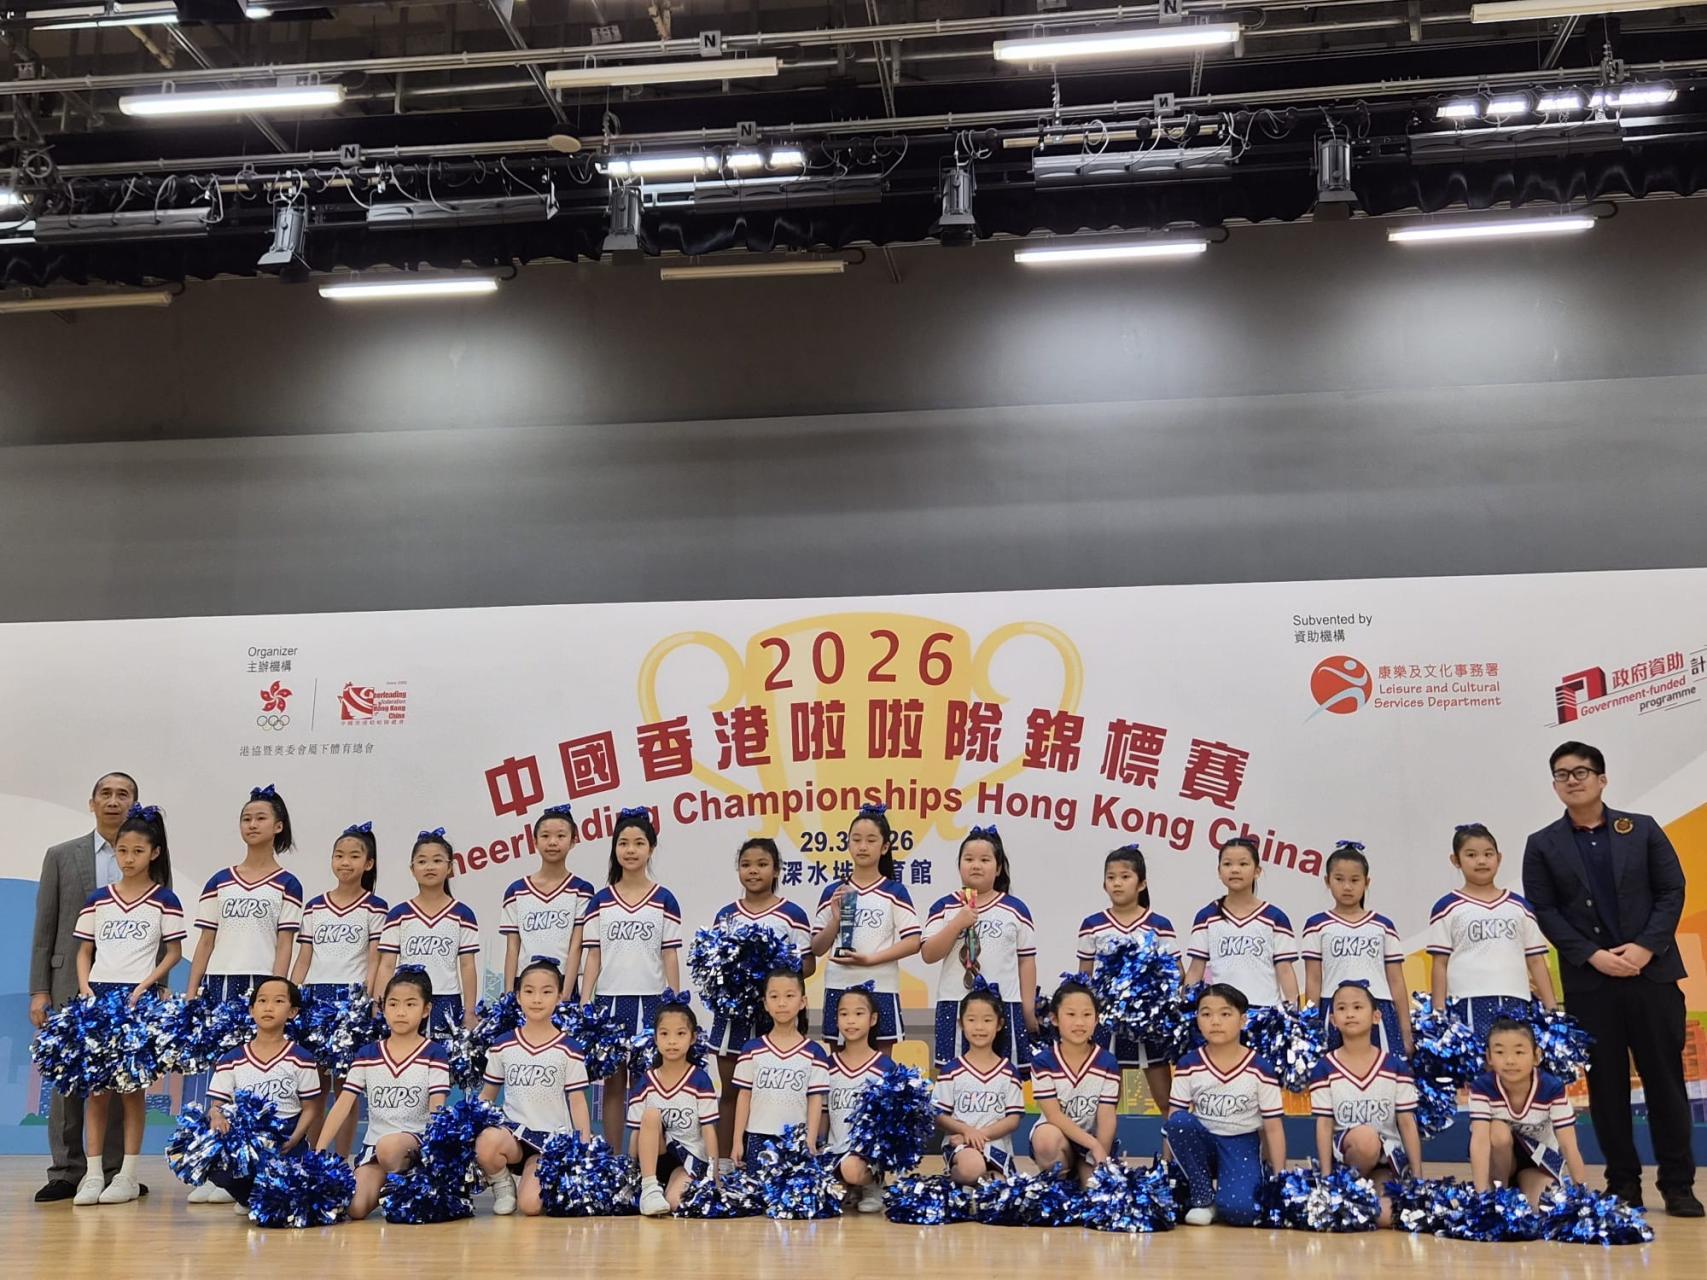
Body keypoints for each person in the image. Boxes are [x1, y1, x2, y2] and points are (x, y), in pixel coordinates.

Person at [1522, 740, 1701, 1216]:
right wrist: (1592, 956)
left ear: (1602, 779)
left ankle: (1678, 1185)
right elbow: (1545, 910)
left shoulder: (1641, 829)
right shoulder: (1542, 844)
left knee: (1665, 1082)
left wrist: (1645, 947)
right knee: (1606, 1088)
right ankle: (1623, 1185)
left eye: (1581, 771)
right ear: (1555, 785)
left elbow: (1672, 890)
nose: (1572, 780)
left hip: (1652, 975)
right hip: (1592, 984)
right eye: (1562, 774)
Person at [29, 771, 145, 1203]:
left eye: (123, 794)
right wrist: (39, 990)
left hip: (128, 985)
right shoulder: (61, 856)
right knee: (67, 1080)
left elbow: (160, 932)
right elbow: (45, 928)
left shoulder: (150, 856)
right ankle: (65, 1171)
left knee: (118, 1078)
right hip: (67, 981)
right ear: (92, 802)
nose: (114, 801)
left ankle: (113, 1172)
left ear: (135, 804)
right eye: (106, 793)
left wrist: (157, 988)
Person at [70, 804, 183, 1206]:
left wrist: (146, 985)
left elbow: (173, 952)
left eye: (137, 851)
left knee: (133, 1090)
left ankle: (128, 1175)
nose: (129, 858)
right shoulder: (98, 898)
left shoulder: (165, 899)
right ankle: (92, 1175)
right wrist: (85, 988)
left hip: (138, 1001)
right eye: (122, 851)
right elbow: (84, 951)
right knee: (96, 1091)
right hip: (98, 999)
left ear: (154, 853)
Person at [579, 806, 683, 1147]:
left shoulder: (664, 899)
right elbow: (594, 955)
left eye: (639, 843)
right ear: (615, 849)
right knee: (612, 1083)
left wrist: (674, 1002)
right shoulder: (600, 901)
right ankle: (612, 1158)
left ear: (651, 848)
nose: (631, 850)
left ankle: (643, 1160)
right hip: (609, 1001)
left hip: (651, 1001)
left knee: (644, 1084)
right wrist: (585, 1000)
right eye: (623, 843)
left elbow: (670, 954)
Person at [708, 837, 815, 1158]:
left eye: (762, 864)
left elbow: (808, 965)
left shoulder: (792, 914)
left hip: (777, 1015)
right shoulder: (726, 915)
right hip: (734, 1016)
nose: (753, 871)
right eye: (746, 865)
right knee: (731, 1091)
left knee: (774, 1093)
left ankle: (780, 1162)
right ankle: (725, 1163)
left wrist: (773, 966)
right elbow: (712, 964)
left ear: (777, 870)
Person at [317, 968, 450, 1221]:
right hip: (375, 1148)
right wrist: (319, 1151)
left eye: (410, 1004)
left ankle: (410, 1184)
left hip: (416, 1144)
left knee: (389, 1147)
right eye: (393, 1004)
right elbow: (343, 1104)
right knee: (355, 1208)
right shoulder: (368, 1053)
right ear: (383, 1008)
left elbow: (437, 1106)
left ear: (426, 1010)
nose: (400, 1012)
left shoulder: (434, 1052)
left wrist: (435, 1156)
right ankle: (391, 1186)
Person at [291, 821, 386, 1157]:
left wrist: (369, 1003)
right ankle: (314, 1158)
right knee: (314, 1088)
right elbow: (304, 958)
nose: (345, 862)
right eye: (339, 855)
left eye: (354, 856)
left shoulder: (375, 907)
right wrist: (291, 995)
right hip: (314, 1001)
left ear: (368, 863)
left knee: (346, 1088)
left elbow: (375, 960)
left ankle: (343, 1160)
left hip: (352, 1003)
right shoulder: (315, 906)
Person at [475, 959, 591, 1217]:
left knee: (530, 1206)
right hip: (513, 1135)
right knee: (486, 1141)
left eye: (546, 991)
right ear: (518, 996)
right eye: (529, 991)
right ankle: (503, 1186)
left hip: (550, 1139)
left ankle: (531, 1178)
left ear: (559, 997)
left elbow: (578, 1101)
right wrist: (468, 1130)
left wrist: (583, 1147)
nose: (537, 999)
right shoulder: (502, 1044)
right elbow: (487, 1097)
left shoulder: (569, 1048)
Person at [1164, 983, 1286, 1227]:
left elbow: (1273, 1128)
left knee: (1241, 1212)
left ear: (1243, 1020)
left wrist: (1280, 1180)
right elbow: (1173, 1121)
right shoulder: (1188, 1064)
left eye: (1225, 1014)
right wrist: (1166, 1171)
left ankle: (1248, 1178)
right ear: (1197, 1020)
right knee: (1178, 1122)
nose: (1215, 1021)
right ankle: (1203, 1197)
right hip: (1203, 1142)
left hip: (1241, 1143)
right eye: (1206, 1014)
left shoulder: (1260, 1067)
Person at [921, 826, 1039, 1075]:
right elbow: (929, 954)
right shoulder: (944, 907)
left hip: (1004, 1004)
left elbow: (1026, 961)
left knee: (1007, 1076)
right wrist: (957, 923)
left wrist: (1027, 1008)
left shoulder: (1015, 909)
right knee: (953, 1076)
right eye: (969, 859)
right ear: (959, 865)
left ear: (998, 868)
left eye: (985, 860)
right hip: (955, 1005)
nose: (976, 865)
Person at [1427, 823, 1556, 1045]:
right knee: (1475, 1062)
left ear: (1499, 858)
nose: (1481, 861)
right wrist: (1438, 1014)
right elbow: (1440, 963)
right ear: (1455, 860)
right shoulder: (1447, 907)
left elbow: (1535, 960)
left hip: (1516, 1000)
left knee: (1512, 1060)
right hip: (1466, 1001)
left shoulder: (1520, 906)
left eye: (1488, 854)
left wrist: (1552, 1009)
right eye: (1471, 855)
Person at [202, 978, 322, 1213]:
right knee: (209, 1153)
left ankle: (264, 1196)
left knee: (289, 1201)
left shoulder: (302, 1058)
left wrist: (295, 1139)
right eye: (262, 1001)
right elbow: (217, 1105)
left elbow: (311, 1108)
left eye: (279, 1001)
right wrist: (216, 1116)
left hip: (286, 1139)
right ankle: (248, 1197)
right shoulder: (231, 1059)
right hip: (247, 1141)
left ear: (292, 1012)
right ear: (251, 1010)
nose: (269, 1007)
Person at [1309, 980, 1423, 1227]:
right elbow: (1324, 1125)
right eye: (1341, 1008)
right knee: (1366, 1138)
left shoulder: (1395, 1066)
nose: (1350, 1014)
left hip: (1385, 1162)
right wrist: (1326, 1179)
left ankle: (1357, 1201)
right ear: (1333, 1020)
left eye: (1358, 1007)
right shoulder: (1325, 1067)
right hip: (1348, 1159)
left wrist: (1417, 1178)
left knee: (1388, 1214)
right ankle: (1344, 1191)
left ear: (1376, 1016)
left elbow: (1406, 1122)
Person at [812, 803, 922, 1054]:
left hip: (881, 985)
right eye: (856, 839)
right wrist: (836, 919)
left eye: (871, 840)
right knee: (839, 1065)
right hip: (840, 985)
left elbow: (913, 941)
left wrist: (870, 960)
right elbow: (817, 947)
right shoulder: (834, 891)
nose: (862, 846)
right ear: (848, 843)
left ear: (884, 847)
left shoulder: (894, 891)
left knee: (881, 1067)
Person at [1077, 843, 1180, 1109]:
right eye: (1111, 877)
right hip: (1108, 1021)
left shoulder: (1159, 924)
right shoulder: (1092, 925)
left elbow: (1176, 973)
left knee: (1166, 1099)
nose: (1117, 883)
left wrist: (1156, 1001)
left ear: (1142, 883)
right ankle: (1101, 1139)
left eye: (1125, 877)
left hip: (1150, 1024)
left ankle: (1172, 1139)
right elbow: (1084, 980)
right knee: (1106, 1099)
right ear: (1104, 884)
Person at [185, 785, 304, 1004]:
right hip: (218, 979)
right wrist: (191, 993)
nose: (252, 825)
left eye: (261, 818)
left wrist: (276, 991)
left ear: (278, 826)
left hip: (262, 979)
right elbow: (205, 941)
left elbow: (284, 944)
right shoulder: (219, 881)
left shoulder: (288, 884)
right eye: (246, 819)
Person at [1301, 841, 1412, 1054]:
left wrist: (1406, 1030)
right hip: (1334, 1009)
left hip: (1379, 1008)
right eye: (1339, 879)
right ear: (1327, 881)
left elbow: (1396, 980)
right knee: (1334, 1070)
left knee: (1384, 1070)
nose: (1347, 887)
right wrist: (1311, 1024)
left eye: (1354, 880)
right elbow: (1313, 979)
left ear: (1366, 882)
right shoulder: (1317, 924)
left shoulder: (1383, 925)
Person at [1468, 1017, 1588, 1206]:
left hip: (1538, 1163)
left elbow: (1568, 1145)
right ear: (1489, 1057)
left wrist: (1583, 1196)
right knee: (1498, 1130)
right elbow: (1480, 1142)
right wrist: (1481, 1195)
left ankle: (1525, 1191)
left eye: (1519, 1052)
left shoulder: (1552, 1088)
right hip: (1499, 1165)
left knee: (1546, 1206)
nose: (1510, 1060)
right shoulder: (1482, 1087)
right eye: (1500, 1052)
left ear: (1536, 1055)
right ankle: (1499, 1194)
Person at [373, 829, 480, 1035]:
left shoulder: (463, 914)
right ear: (412, 869)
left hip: (447, 999)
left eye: (437, 860)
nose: (429, 867)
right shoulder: (399, 914)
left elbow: (467, 965)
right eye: (422, 861)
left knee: (445, 1054)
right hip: (406, 1000)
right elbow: (386, 964)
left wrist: (469, 1011)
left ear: (450, 867)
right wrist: (379, 1006)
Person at [629, 995, 720, 1216]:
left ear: (692, 1038)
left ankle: (664, 1189)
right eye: (664, 1034)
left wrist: (714, 1173)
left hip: (688, 1158)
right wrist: (630, 1170)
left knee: (675, 1203)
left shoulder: (700, 1080)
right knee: (651, 1115)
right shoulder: (646, 1081)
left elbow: (709, 1130)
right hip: (654, 1160)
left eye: (680, 1034)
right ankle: (649, 1188)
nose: (672, 1041)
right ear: (655, 1038)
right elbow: (635, 1133)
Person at [1183, 838, 1300, 1010]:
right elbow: (1195, 970)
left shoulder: (1275, 917)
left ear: (1257, 871)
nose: (1235, 870)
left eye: (1243, 864)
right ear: (1219, 871)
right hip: (1222, 1013)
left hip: (1265, 1012)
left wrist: (1294, 1012)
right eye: (1227, 864)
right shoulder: (1207, 916)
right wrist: (1186, 1009)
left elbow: (1285, 970)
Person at [729, 968, 828, 1167]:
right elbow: (744, 1096)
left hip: (796, 1140)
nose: (782, 1003)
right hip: (758, 1137)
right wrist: (737, 1141)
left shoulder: (814, 1052)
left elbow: (815, 1099)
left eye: (789, 996)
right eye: (774, 996)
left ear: (802, 1002)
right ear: (765, 1004)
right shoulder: (751, 1049)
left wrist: (810, 1140)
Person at [1028, 978, 1121, 1186]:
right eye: (1071, 1014)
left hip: (1093, 1141)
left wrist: (1100, 1153)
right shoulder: (1043, 1061)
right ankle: (1061, 1179)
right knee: (1046, 1141)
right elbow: (1053, 1115)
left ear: (1096, 1020)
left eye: (1087, 1015)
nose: (1079, 1022)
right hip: (1059, 1137)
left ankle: (1083, 1169)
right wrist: (1092, 1144)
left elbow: (1107, 1117)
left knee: (1095, 1189)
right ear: (1054, 1019)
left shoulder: (1107, 1061)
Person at [932, 982, 1025, 1185]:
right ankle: (956, 1181)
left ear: (999, 1024)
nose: (979, 1027)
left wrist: (977, 1135)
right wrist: (966, 1132)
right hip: (960, 1147)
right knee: (972, 1168)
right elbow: (939, 1115)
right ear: (961, 1023)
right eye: (972, 1019)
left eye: (987, 1020)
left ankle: (978, 1184)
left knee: (999, 1187)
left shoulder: (1009, 1072)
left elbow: (1013, 1119)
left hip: (996, 1147)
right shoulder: (951, 1070)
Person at [500, 805, 595, 996]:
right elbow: (512, 948)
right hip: (525, 985)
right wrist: (509, 994)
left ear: (573, 841)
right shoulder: (517, 891)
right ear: (534, 841)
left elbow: (576, 946)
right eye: (545, 836)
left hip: (563, 983)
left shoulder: (581, 890)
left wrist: (565, 996)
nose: (552, 842)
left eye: (560, 836)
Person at [819, 983, 893, 1214]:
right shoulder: (828, 1066)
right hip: (835, 1150)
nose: (851, 1021)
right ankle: (851, 1187)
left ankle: (872, 1185)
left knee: (852, 1168)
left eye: (859, 1014)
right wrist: (818, 1146)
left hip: (867, 1154)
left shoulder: (884, 1067)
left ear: (873, 1019)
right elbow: (823, 1112)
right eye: (844, 1014)